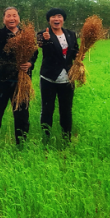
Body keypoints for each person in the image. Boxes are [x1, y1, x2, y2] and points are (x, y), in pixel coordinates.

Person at [0, 7, 38, 145]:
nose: (11, 18)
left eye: (14, 15)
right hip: (0, 81)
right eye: (8, 15)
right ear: (4, 19)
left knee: (22, 115)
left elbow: (34, 52)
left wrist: (30, 63)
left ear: (18, 18)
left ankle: (21, 143)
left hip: (21, 81)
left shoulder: (26, 34)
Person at [36, 8, 79, 141]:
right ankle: (46, 137)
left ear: (63, 19)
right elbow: (40, 45)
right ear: (49, 20)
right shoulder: (43, 33)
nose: (56, 19)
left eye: (59, 16)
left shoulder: (71, 34)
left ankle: (66, 137)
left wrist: (79, 56)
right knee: (47, 110)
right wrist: (46, 40)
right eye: (53, 17)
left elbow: (75, 51)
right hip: (49, 78)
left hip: (68, 78)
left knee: (66, 110)